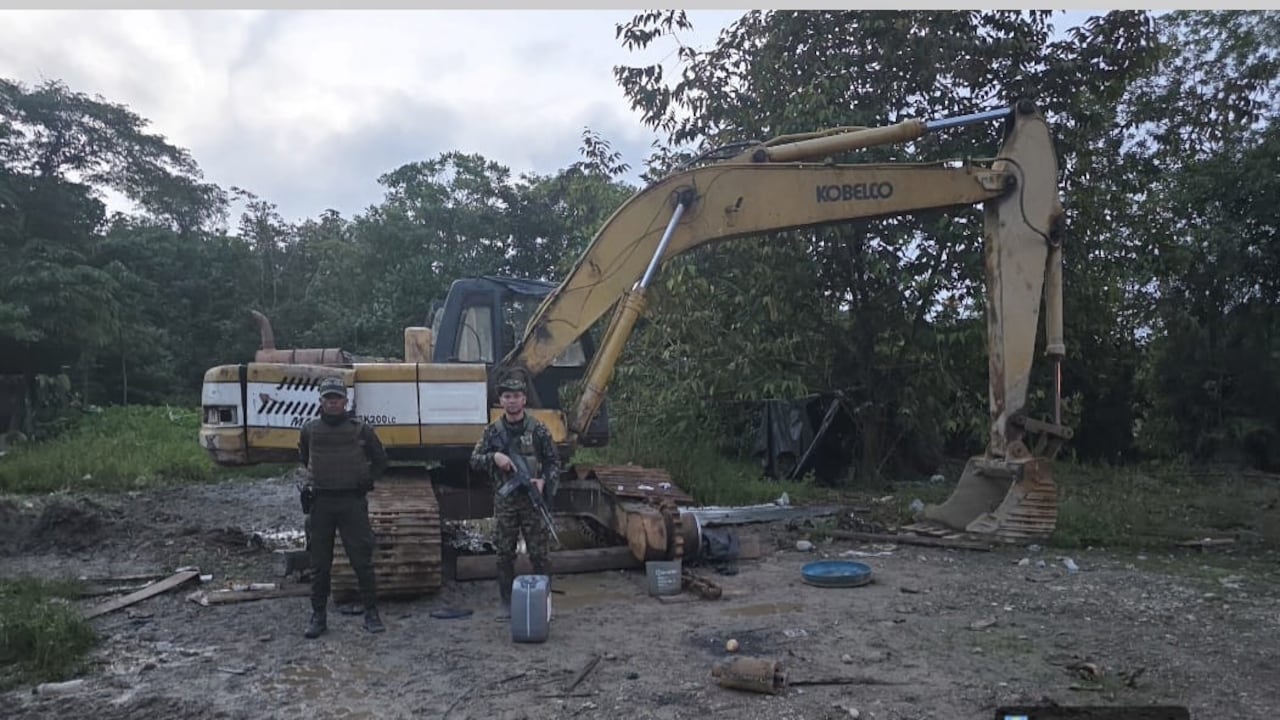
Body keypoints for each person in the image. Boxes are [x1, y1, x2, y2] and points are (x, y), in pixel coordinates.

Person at [297, 376, 388, 638]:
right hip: (322, 502)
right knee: (319, 563)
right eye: (328, 398)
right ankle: (318, 617)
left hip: (352, 501)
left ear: (345, 402)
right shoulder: (310, 429)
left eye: (337, 398)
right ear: (321, 401)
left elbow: (381, 460)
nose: (333, 403)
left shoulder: (361, 430)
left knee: (362, 561)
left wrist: (365, 483)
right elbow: (304, 456)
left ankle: (372, 613)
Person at [470, 377, 561, 615]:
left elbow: (553, 462)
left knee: (539, 553)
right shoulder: (493, 432)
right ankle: (506, 603)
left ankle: (544, 602)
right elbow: (474, 460)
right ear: (501, 401)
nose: (512, 401)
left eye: (516, 396)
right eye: (507, 397)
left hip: (531, 500)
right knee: (504, 552)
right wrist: (494, 458)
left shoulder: (538, 429)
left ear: (524, 399)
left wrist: (543, 481)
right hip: (506, 501)